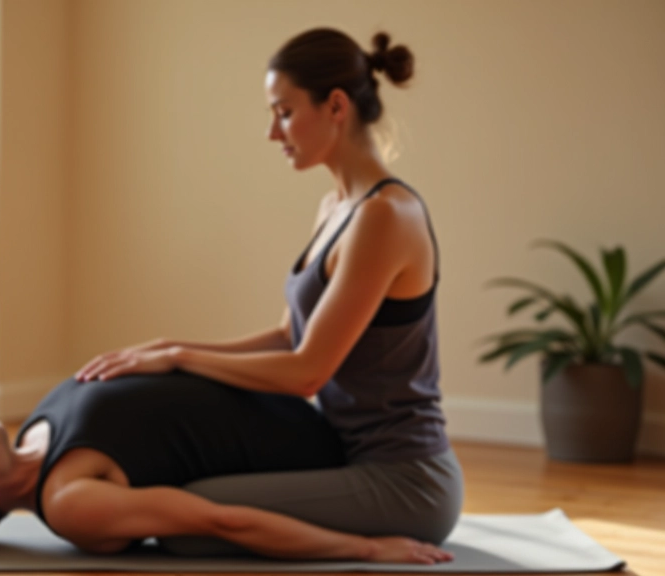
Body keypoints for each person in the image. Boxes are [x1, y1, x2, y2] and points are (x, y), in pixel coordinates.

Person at [74, 28, 463, 556]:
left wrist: (179, 357)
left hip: (407, 480)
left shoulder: (386, 216)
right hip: (341, 456)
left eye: (282, 112)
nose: (272, 133)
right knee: (181, 502)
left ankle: (368, 546)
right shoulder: (336, 208)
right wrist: (166, 349)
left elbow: (307, 371)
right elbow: (288, 337)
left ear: (336, 106)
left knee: (187, 519)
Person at [0, 370, 453, 564]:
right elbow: (222, 520)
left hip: (312, 408)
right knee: (190, 543)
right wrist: (369, 549)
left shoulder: (37, 427)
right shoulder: (69, 500)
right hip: (315, 462)